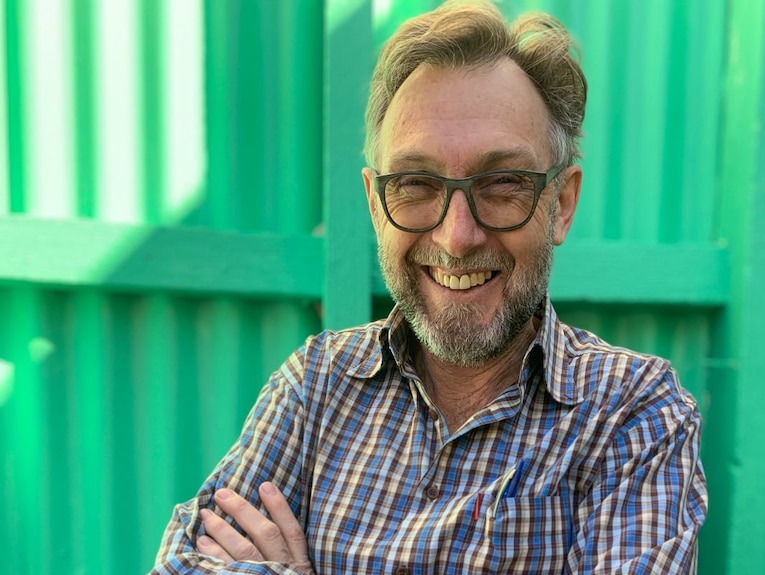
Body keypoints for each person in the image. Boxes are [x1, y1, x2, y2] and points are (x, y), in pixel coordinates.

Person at [152, 1, 708, 573]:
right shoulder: (316, 386)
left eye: (503, 183)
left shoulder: (633, 414)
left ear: (560, 204)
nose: (456, 236)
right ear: (374, 204)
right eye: (415, 183)